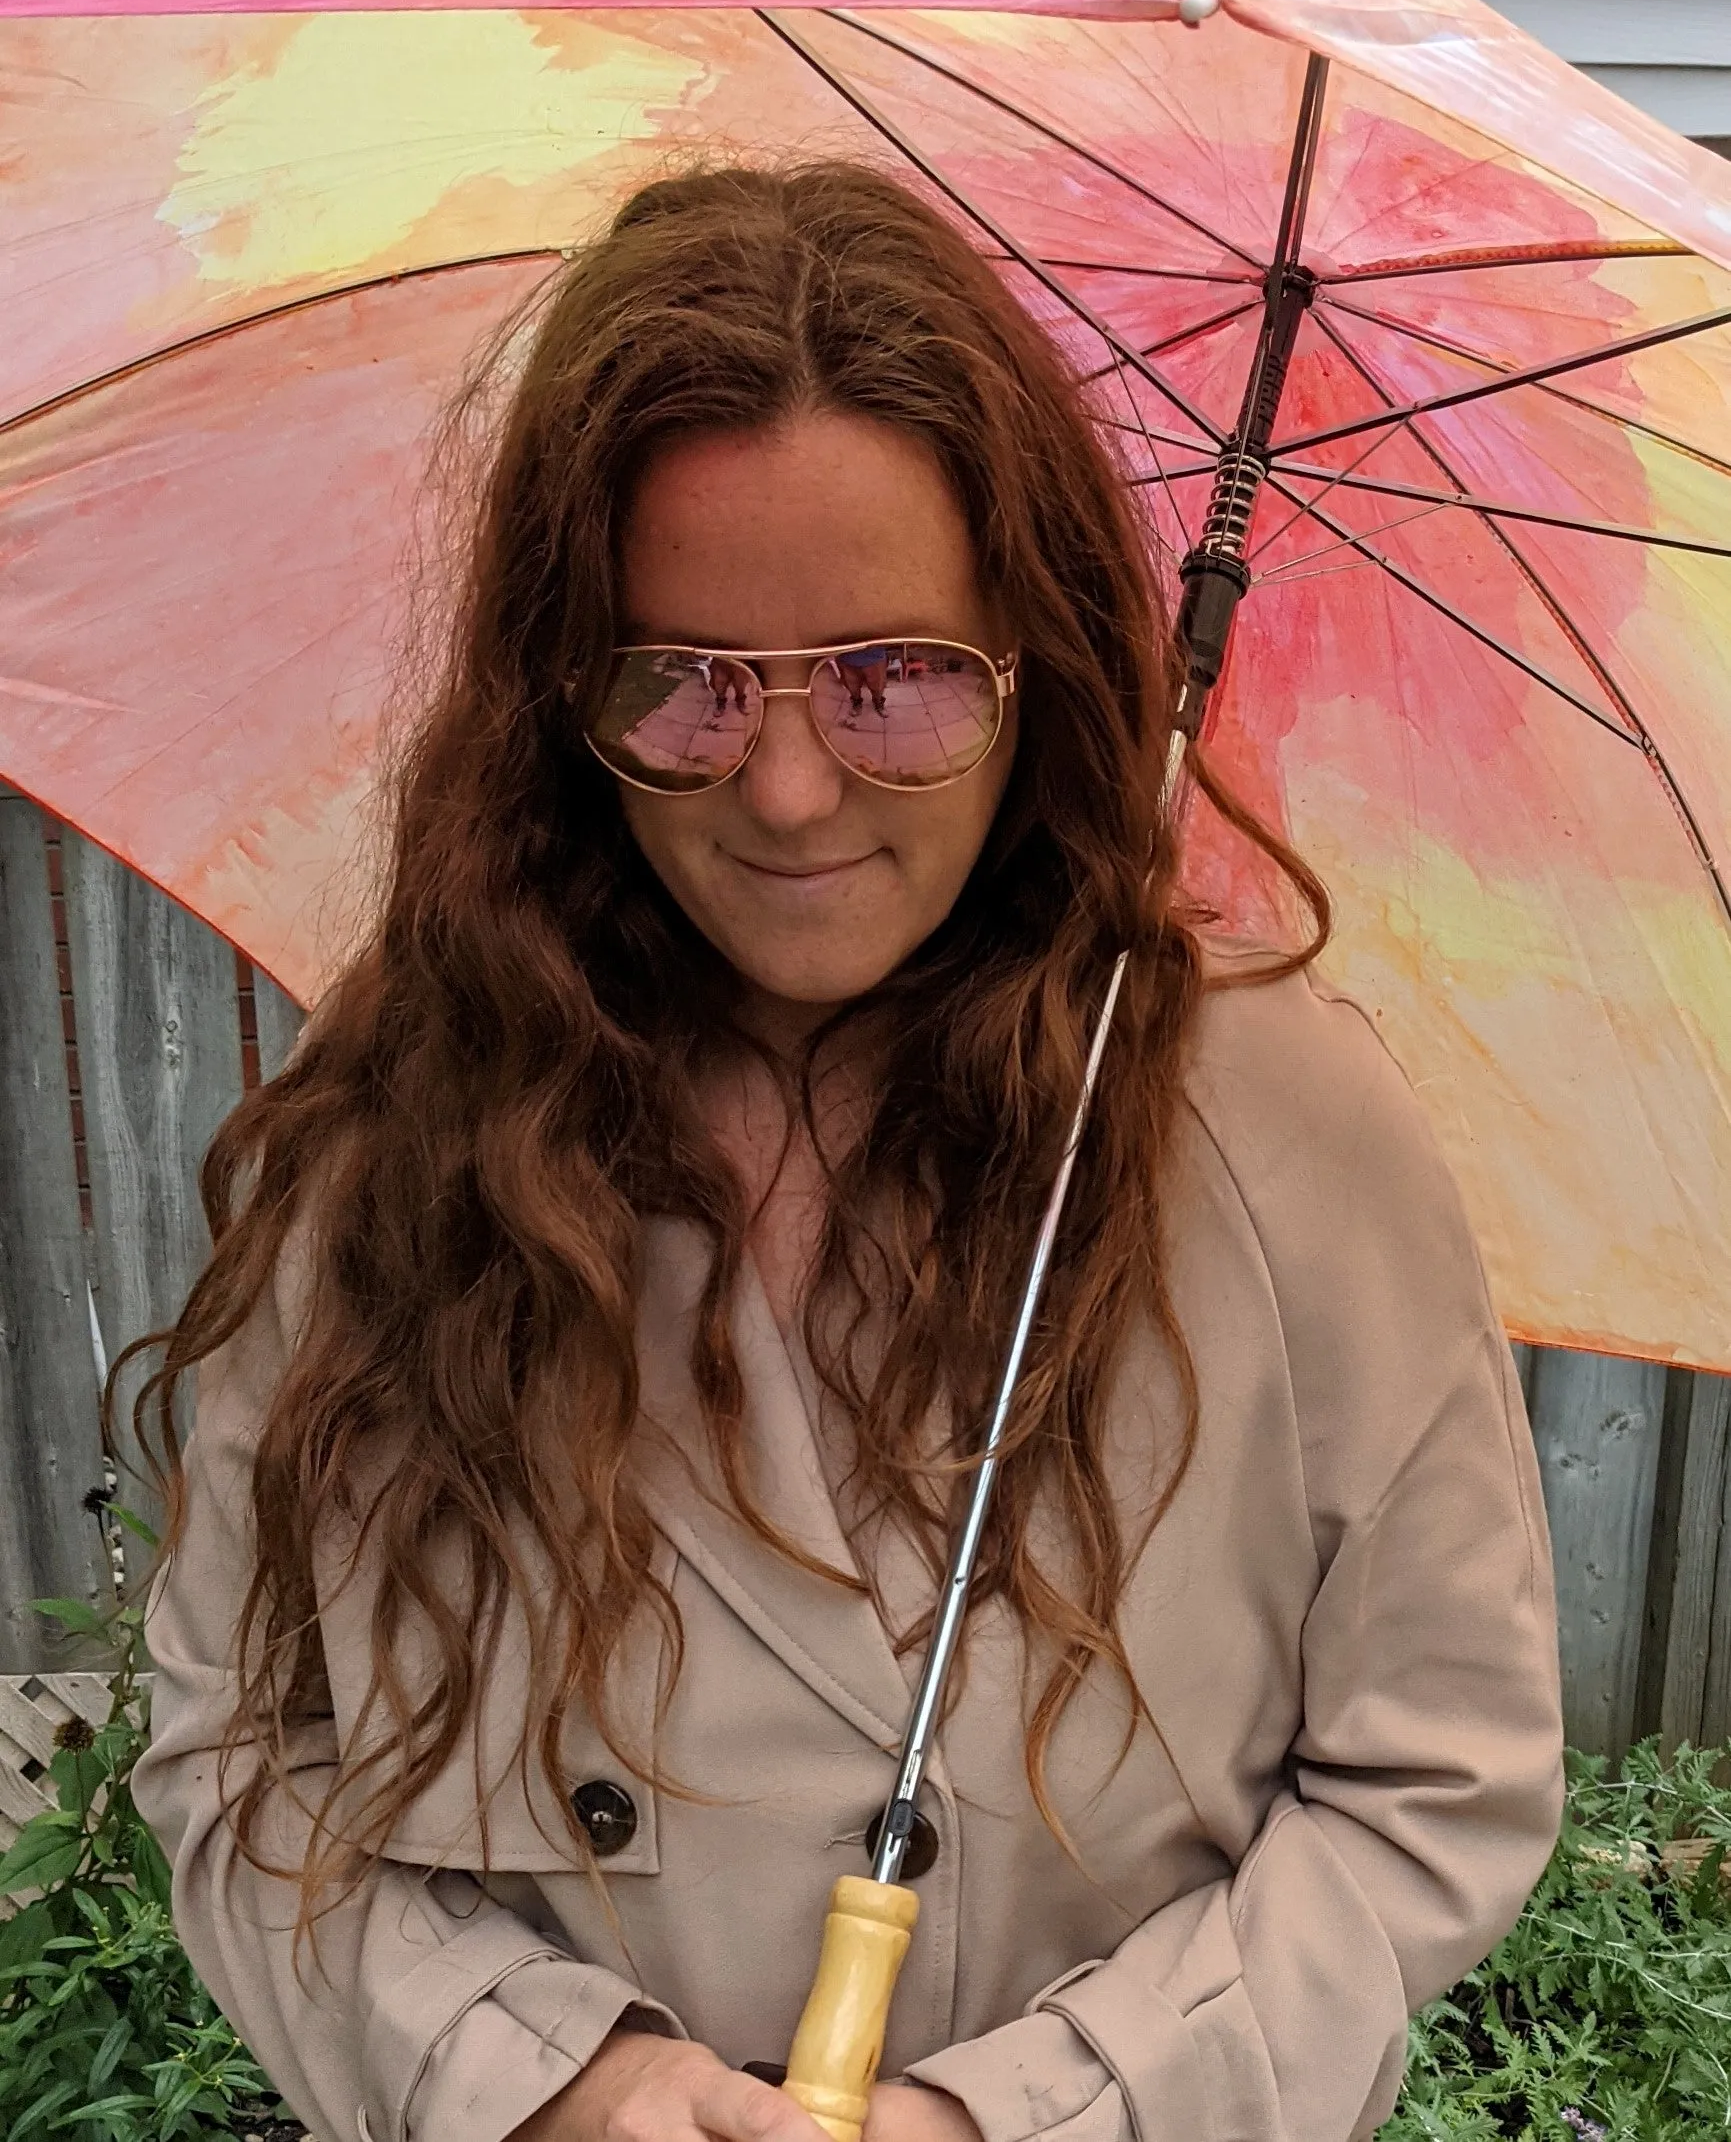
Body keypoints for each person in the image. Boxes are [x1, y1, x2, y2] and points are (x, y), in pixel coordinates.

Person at [127, 162, 1564, 2142]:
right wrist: (554, 2087)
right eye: (689, 683)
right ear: (570, 691)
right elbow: (238, 1758)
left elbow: (1435, 1788)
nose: (790, 792)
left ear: (1032, 659)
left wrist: (1031, 2119)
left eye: (894, 678)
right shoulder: (408, 1126)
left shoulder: (1288, 1135)